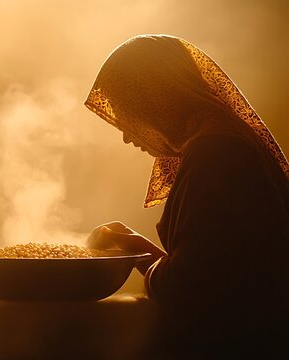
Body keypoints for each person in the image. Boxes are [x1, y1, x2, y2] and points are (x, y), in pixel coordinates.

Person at [84, 34, 289, 356]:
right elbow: (206, 263)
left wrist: (139, 255)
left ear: (155, 100)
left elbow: (188, 287)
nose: (126, 135)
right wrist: (136, 246)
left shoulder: (215, 153)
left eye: (127, 113)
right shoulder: (223, 139)